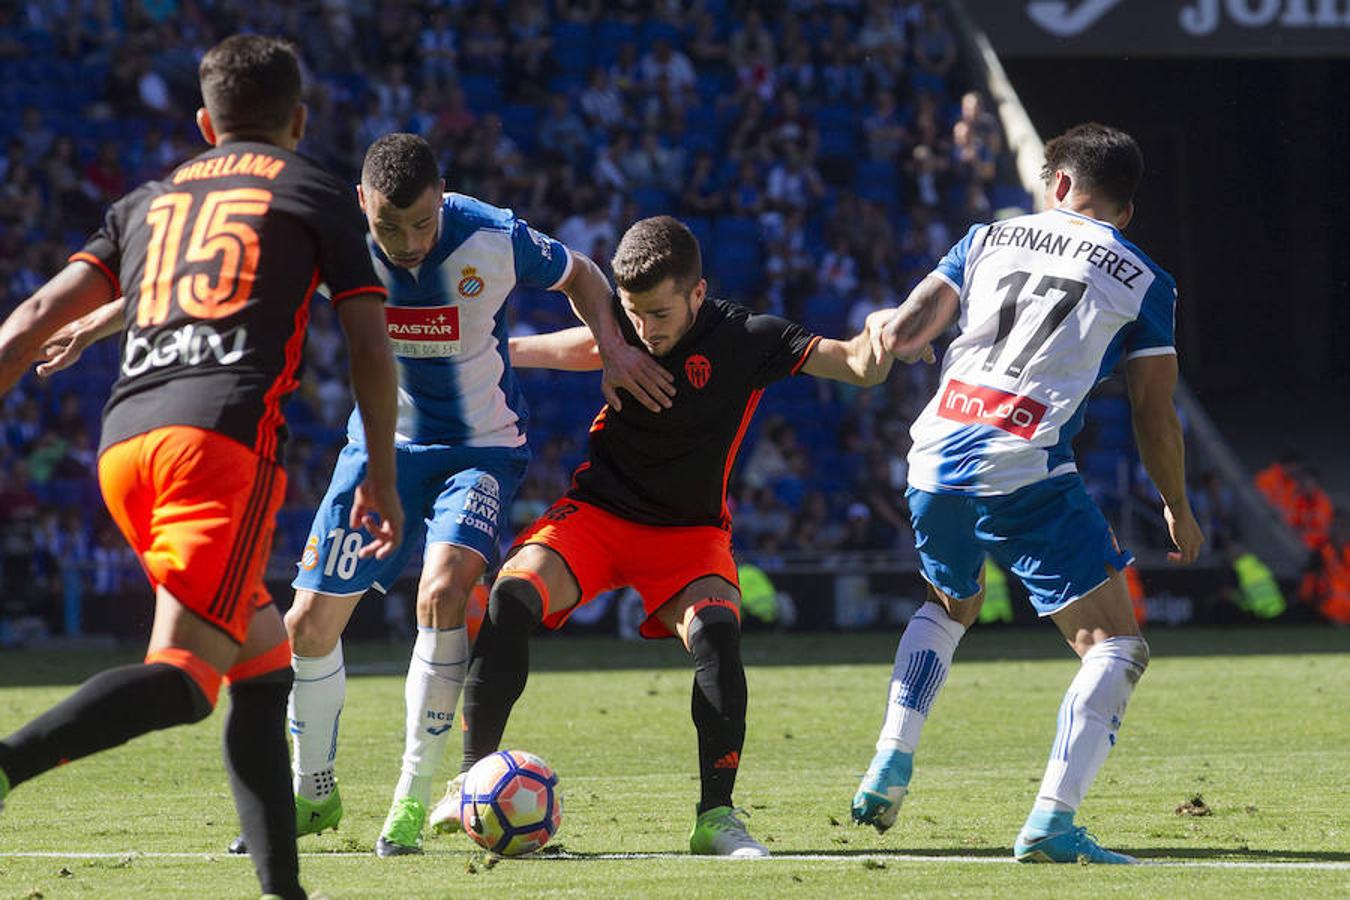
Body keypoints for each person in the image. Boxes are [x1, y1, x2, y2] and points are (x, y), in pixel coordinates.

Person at [0, 35, 403, 900]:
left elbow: (30, 317)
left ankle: (283, 889)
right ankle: (5, 766)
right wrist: (380, 470)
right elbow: (370, 344)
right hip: (220, 445)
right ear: (298, 120)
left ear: (203, 123)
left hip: (124, 446)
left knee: (263, 673)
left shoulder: (147, 200)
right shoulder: (315, 192)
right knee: (188, 680)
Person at [427, 215, 899, 857]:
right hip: (595, 515)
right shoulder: (623, 323)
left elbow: (856, 366)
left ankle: (716, 818)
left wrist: (882, 332)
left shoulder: (748, 337)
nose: (643, 330)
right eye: (631, 314)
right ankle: (471, 783)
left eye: (659, 313)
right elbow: (582, 344)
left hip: (688, 537)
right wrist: (498, 351)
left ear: (697, 294)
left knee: (716, 633)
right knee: (511, 598)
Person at [851, 123, 1205, 864]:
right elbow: (1152, 411)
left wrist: (881, 329)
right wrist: (1175, 503)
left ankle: (891, 759)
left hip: (933, 454)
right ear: (1126, 209)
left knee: (950, 606)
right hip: (1023, 459)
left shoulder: (985, 239)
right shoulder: (1144, 277)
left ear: (1061, 184)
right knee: (1114, 647)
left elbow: (909, 331)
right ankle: (1052, 821)